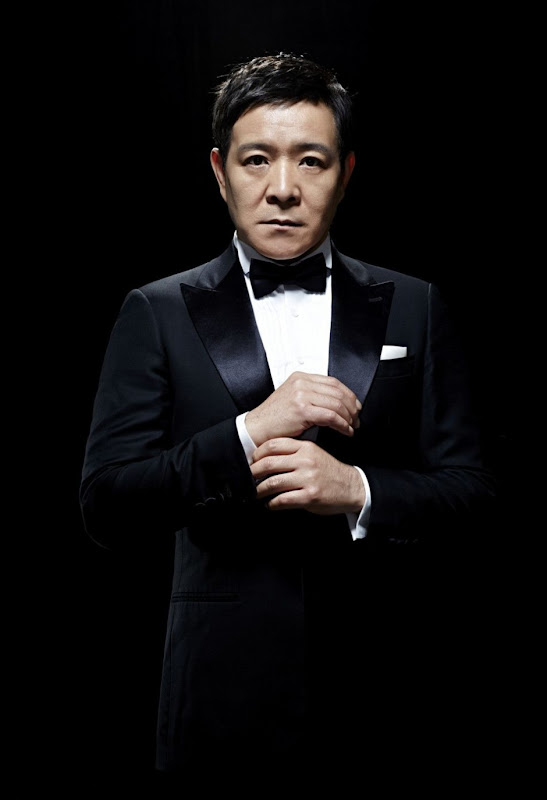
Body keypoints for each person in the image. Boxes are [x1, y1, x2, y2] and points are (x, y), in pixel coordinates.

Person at [80, 52, 497, 791]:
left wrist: (358, 490)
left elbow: (474, 495)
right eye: (256, 160)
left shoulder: (416, 305)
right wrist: (250, 433)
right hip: (218, 700)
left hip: (387, 695)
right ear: (220, 171)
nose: (282, 188)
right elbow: (107, 504)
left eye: (310, 160)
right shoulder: (156, 311)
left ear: (346, 172)